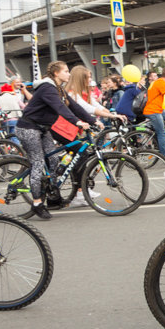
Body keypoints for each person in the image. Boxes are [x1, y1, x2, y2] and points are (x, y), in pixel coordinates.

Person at [13, 60, 97, 220]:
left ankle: (51, 196)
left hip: (43, 129)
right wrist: (78, 122)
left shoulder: (59, 89)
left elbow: (74, 107)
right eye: (66, 71)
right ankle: (37, 203)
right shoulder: (47, 88)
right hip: (28, 128)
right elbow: (61, 108)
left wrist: (93, 121)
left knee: (53, 160)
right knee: (38, 163)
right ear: (56, 73)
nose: (69, 74)